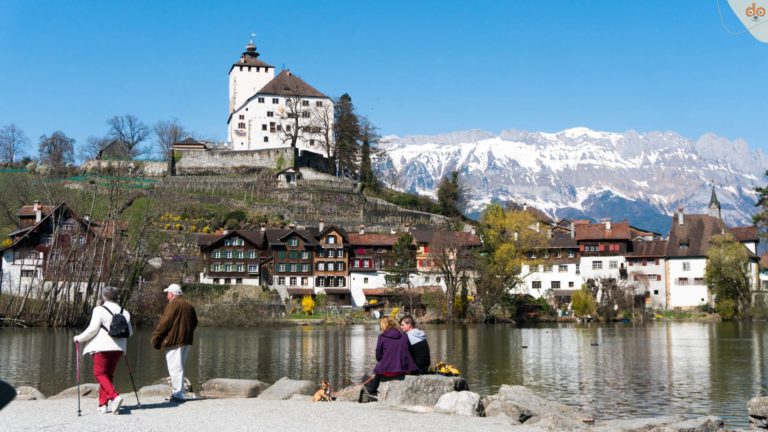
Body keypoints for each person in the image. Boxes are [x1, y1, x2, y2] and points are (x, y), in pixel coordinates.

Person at [73, 286, 132, 414]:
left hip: (102, 347)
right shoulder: (125, 312)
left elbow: (92, 329)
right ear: (117, 297)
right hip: (119, 348)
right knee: (108, 375)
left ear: (104, 297)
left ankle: (115, 397)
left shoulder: (99, 309)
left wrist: (79, 338)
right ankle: (102, 405)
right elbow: (130, 332)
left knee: (99, 373)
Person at [151, 283, 198, 402]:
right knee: (179, 367)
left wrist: (156, 338)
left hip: (174, 341)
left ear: (172, 294)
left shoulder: (173, 304)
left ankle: (178, 394)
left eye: (168, 293)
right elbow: (195, 322)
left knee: (175, 368)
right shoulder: (189, 305)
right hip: (186, 340)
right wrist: (187, 332)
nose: (167, 295)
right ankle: (178, 392)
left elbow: (165, 323)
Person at [364, 316, 419, 397]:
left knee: (379, 368)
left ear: (383, 325)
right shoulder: (404, 335)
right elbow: (409, 351)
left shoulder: (382, 337)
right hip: (405, 370)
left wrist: (386, 359)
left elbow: (378, 356)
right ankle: (372, 388)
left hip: (388, 371)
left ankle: (372, 390)